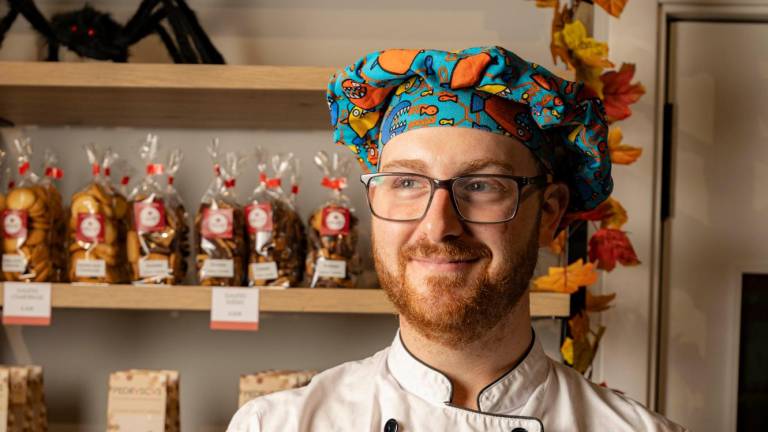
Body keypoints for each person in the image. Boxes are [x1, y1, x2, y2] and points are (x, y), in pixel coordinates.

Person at [228, 46, 686, 431]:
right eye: (406, 183)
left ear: (549, 214)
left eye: (483, 185)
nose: (438, 225)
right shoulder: (275, 425)